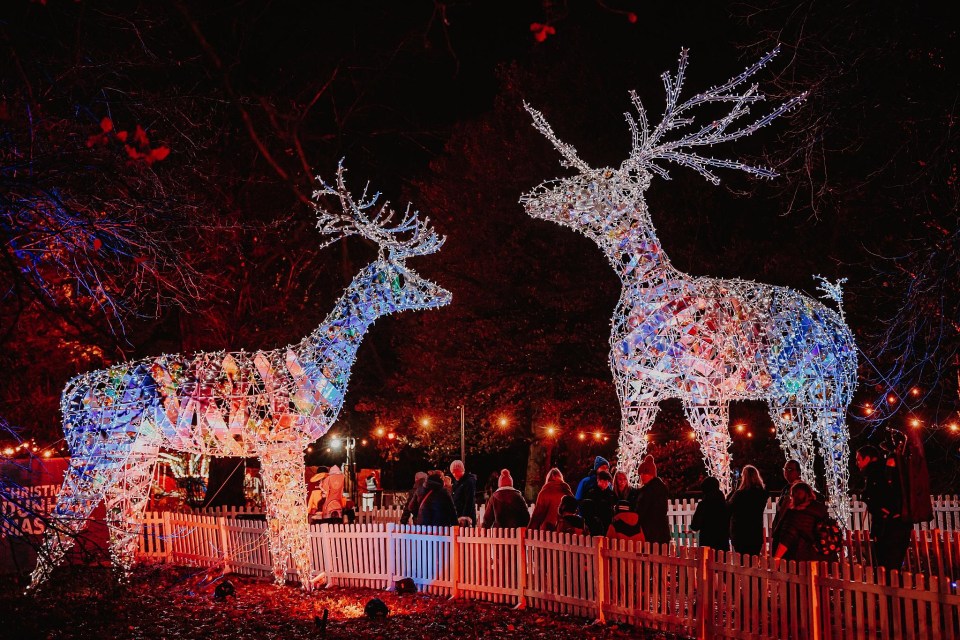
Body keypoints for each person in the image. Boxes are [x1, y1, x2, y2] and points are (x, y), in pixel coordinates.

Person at [856, 444, 912, 571]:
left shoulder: (876, 474)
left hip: (888, 527)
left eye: (859, 459)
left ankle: (890, 589)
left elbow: (879, 498)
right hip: (899, 525)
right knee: (893, 568)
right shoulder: (886, 471)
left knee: (886, 568)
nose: (857, 463)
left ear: (868, 458)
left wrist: (884, 512)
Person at [772, 482, 832, 562]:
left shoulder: (795, 514)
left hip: (802, 560)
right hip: (824, 559)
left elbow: (788, 537)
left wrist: (777, 558)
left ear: (793, 496)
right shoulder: (821, 511)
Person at [727, 464, 769, 555]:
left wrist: (733, 491)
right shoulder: (761, 494)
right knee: (754, 558)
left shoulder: (740, 494)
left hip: (740, 532)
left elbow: (729, 508)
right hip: (755, 531)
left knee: (742, 560)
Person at [633, 455, 671, 545]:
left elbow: (642, 511)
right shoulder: (659, 488)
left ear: (651, 474)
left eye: (644, 473)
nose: (642, 476)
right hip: (661, 533)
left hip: (651, 533)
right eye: (640, 474)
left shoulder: (649, 490)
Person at [690, 476, 730, 551]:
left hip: (707, 543)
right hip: (722, 542)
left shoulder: (703, 505)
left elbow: (695, 526)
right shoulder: (725, 505)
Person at [770, 459, 803, 551]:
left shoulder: (800, 489)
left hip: (791, 533)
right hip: (782, 530)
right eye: (785, 469)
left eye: (790, 470)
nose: (787, 472)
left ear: (798, 472)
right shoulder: (786, 488)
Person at [582, 470, 616, 536]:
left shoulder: (611, 494)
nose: (605, 484)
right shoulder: (592, 492)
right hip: (594, 523)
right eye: (603, 481)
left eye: (607, 482)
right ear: (598, 480)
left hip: (608, 523)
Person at [450, 460, 478, 527]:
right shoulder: (457, 482)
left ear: (461, 470)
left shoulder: (468, 482)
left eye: (456, 472)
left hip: (466, 519)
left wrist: (464, 516)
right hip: (458, 516)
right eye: (453, 472)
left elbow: (469, 500)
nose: (454, 474)